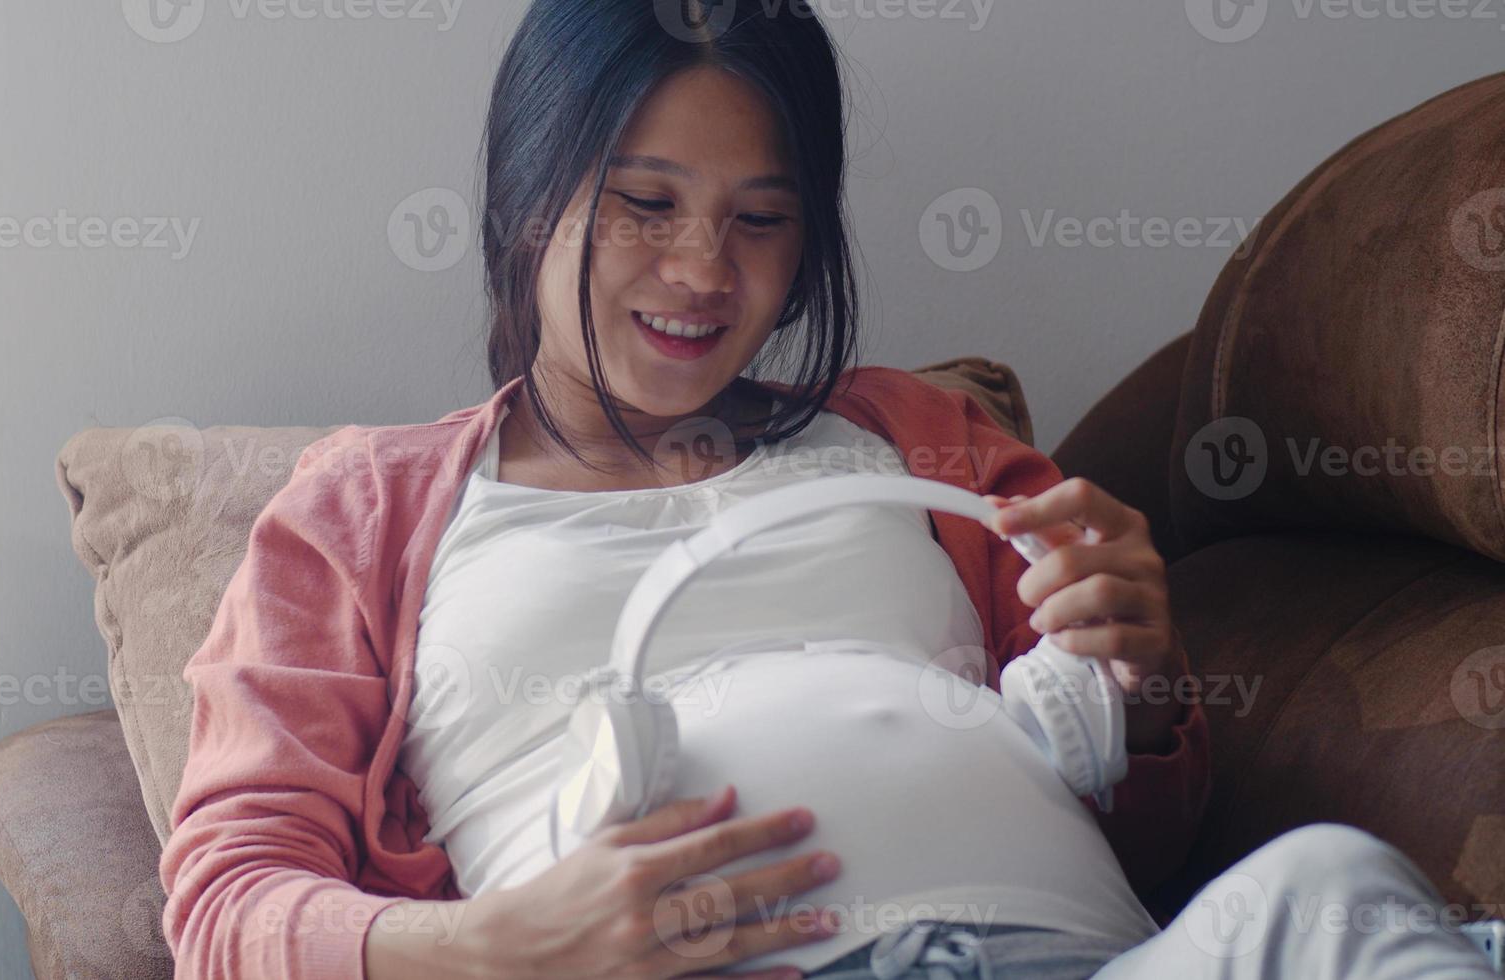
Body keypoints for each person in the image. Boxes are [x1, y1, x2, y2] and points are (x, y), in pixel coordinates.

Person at [156, 2, 1499, 978]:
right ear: (526, 198)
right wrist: (497, 946)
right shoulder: (362, 512)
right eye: (642, 202)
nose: (698, 271)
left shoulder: (928, 443)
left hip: (1078, 961)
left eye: (759, 218)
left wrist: (1144, 693)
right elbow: (225, 906)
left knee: (1330, 885)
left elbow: (1150, 831)